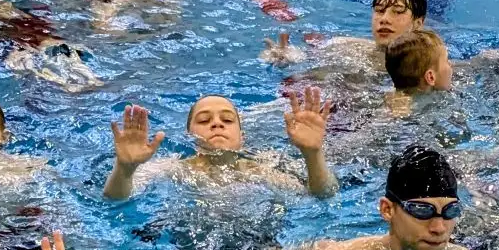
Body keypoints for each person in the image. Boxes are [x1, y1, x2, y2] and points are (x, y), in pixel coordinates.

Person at [301, 145, 499, 250]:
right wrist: (313, 154)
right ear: (387, 210)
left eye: (450, 211)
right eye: (422, 211)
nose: (439, 228)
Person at [103, 90, 337, 200]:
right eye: (204, 120)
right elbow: (117, 199)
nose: (217, 124)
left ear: (242, 137)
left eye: (227, 120)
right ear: (189, 135)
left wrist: (312, 154)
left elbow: (322, 195)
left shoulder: (264, 169)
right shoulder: (173, 168)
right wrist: (125, 169)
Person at [262, 0, 429, 72]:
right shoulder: (344, 47)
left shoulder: (427, 67)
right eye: (379, 10)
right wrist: (287, 58)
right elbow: (307, 58)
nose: (384, 19)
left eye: (397, 11)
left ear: (418, 23)